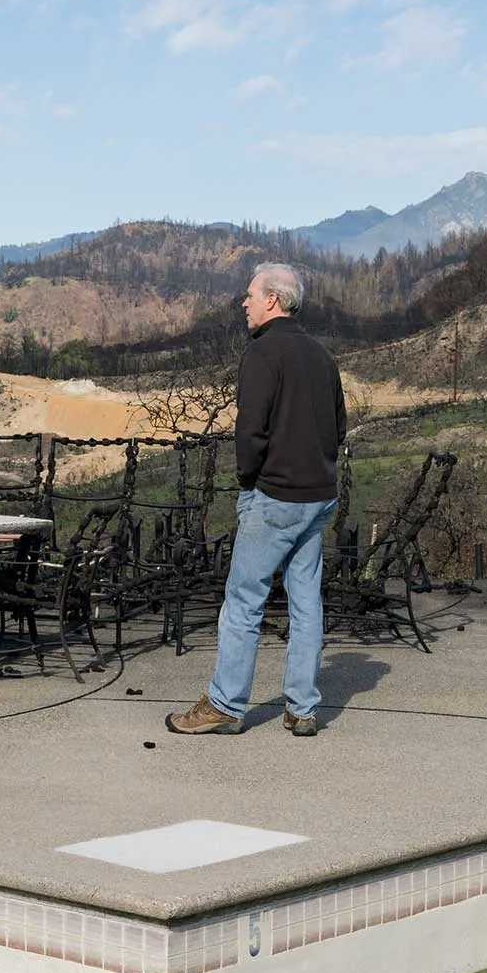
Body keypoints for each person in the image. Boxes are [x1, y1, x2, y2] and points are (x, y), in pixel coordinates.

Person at [167, 262, 345, 737]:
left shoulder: (264, 354)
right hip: (318, 497)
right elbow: (339, 428)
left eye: (249, 295)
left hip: (275, 496)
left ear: (272, 299)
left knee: (243, 600)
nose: (243, 302)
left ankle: (225, 704)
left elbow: (250, 430)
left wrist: (251, 481)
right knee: (306, 603)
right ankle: (304, 708)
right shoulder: (323, 357)